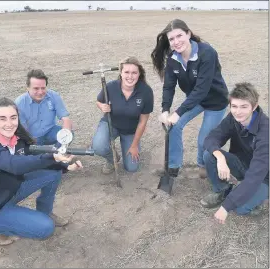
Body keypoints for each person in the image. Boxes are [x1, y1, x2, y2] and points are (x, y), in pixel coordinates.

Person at [0, 98, 83, 246]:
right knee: (45, 228)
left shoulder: (17, 139)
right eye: (2, 118)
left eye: (13, 118)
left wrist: (66, 166)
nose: (9, 123)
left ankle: (45, 211)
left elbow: (33, 159)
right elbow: (15, 165)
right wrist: (52, 156)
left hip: (12, 189)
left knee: (53, 173)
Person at [151, 19, 228, 178]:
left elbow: (202, 89)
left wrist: (178, 112)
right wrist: (166, 110)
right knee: (173, 126)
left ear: (189, 34)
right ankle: (173, 167)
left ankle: (203, 165)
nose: (176, 42)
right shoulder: (173, 59)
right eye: (171, 39)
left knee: (203, 140)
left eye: (179, 36)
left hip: (215, 101)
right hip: (195, 100)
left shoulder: (207, 53)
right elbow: (168, 86)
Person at [201, 82, 269, 224]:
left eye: (244, 107)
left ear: (254, 106)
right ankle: (223, 190)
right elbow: (212, 138)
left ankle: (260, 198)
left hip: (263, 176)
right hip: (242, 163)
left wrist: (226, 207)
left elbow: (256, 174)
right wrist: (220, 158)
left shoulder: (265, 131)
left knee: (239, 209)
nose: (238, 112)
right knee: (210, 155)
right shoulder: (233, 118)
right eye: (234, 106)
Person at [92, 56, 154, 174]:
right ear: (121, 73)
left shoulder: (146, 92)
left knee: (132, 168)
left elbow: (143, 122)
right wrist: (102, 106)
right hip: (111, 124)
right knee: (98, 147)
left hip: (131, 130)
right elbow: (98, 101)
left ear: (139, 74)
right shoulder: (110, 87)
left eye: (134, 73)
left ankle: (130, 145)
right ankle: (112, 159)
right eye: (126, 72)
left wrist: (134, 145)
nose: (130, 76)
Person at [15, 69, 73, 146]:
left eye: (43, 88)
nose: (40, 92)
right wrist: (31, 144)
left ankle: (58, 153)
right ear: (28, 88)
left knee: (69, 134)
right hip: (33, 137)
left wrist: (65, 138)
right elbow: (23, 130)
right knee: (37, 156)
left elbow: (66, 119)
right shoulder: (19, 103)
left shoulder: (54, 96)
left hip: (50, 131)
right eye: (36, 88)